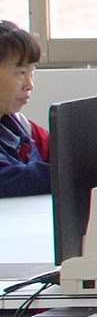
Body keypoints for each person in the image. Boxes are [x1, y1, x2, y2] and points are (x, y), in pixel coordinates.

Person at [0, 20, 49, 198]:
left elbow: (60, 151)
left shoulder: (16, 123)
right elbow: (10, 178)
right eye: (21, 73)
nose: (30, 85)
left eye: (31, 71)